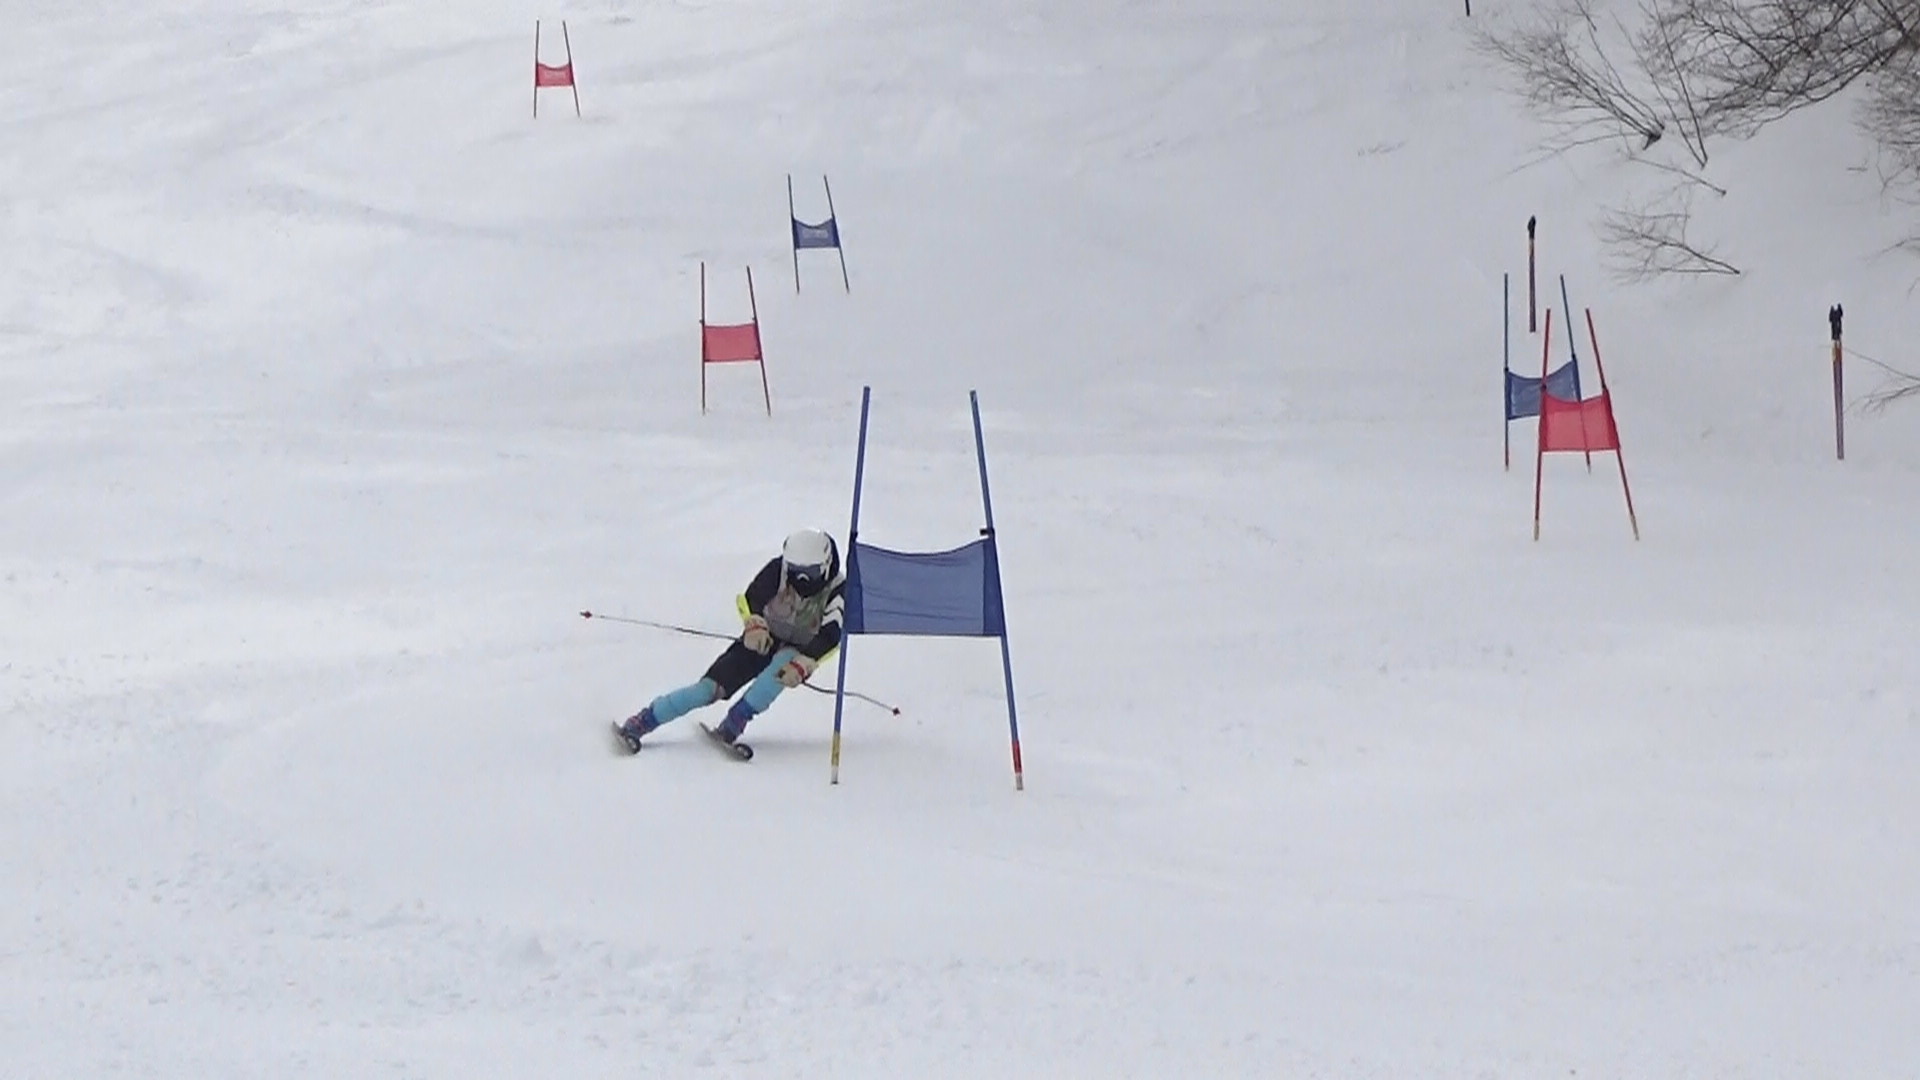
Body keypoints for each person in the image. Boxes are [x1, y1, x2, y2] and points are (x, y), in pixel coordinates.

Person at [615, 528, 845, 750]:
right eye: (795, 570)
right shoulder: (779, 569)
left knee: (778, 673)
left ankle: (736, 720)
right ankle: (646, 719)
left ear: (825, 566)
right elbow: (752, 598)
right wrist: (754, 624)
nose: (801, 579)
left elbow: (832, 634)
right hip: (764, 638)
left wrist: (805, 662)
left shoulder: (838, 589)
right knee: (708, 690)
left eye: (810, 573)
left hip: (800, 648)